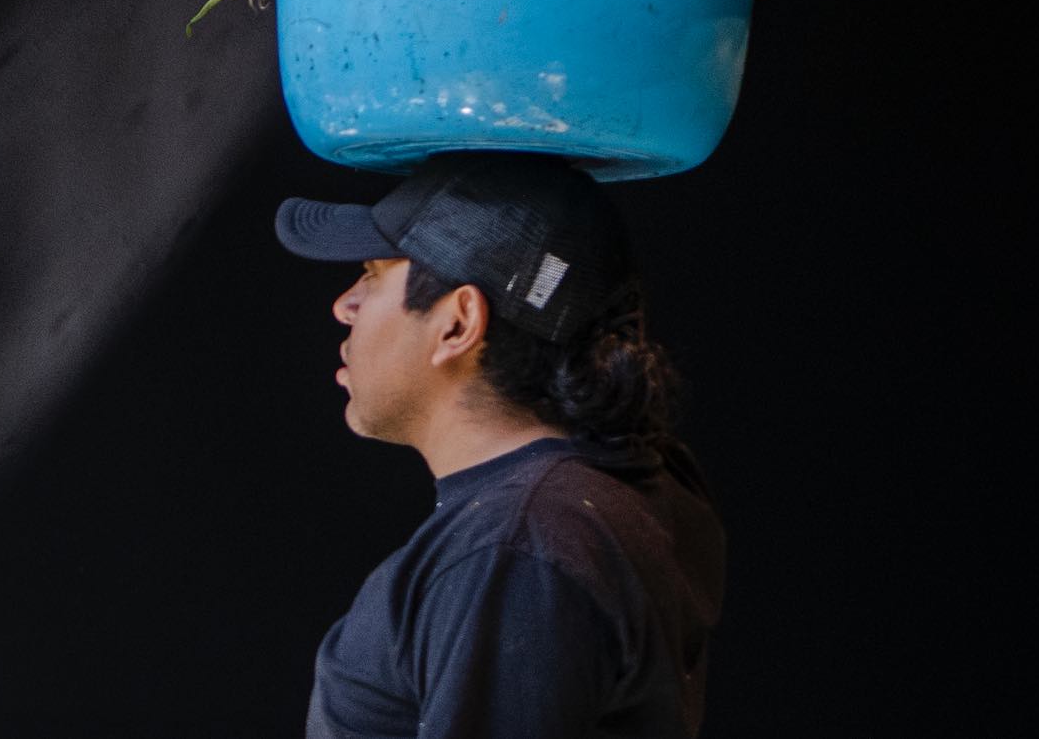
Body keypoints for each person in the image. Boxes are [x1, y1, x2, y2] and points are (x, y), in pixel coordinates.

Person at [275, 152, 725, 738]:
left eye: (374, 273)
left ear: (458, 325)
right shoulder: (626, 481)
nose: (345, 305)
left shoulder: (516, 552)